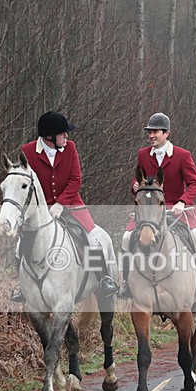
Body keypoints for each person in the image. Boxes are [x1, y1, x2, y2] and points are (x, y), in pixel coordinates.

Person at [11, 111, 118, 302]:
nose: (67, 136)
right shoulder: (27, 151)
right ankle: (22, 287)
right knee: (20, 246)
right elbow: (25, 183)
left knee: (92, 240)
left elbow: (76, 179)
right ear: (50, 137)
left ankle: (103, 279)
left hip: (71, 206)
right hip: (40, 212)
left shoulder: (70, 148)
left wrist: (60, 204)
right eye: (63, 133)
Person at [118, 112, 196, 299]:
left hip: (177, 209)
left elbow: (195, 183)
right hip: (150, 210)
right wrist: (135, 186)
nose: (151, 136)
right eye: (149, 132)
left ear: (166, 133)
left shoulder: (182, 155)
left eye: (155, 132)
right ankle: (125, 284)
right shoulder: (142, 154)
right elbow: (138, 178)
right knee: (126, 237)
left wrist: (183, 201)